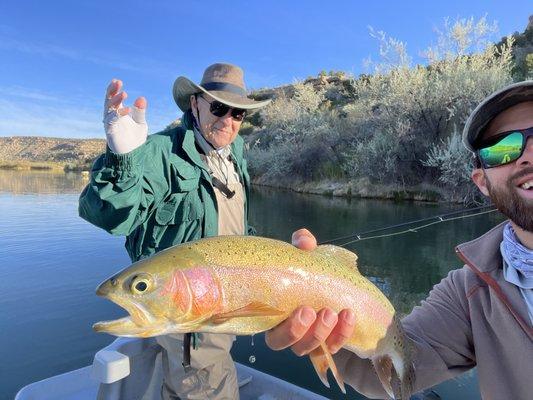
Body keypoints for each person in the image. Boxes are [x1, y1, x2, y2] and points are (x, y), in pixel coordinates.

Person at [267, 81, 533, 399]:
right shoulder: (469, 292)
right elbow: (395, 365)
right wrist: (322, 311)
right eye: (501, 148)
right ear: (482, 183)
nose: (527, 156)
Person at [79, 63, 270, 399]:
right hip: (191, 326)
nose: (228, 120)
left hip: (226, 307)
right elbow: (107, 214)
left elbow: (234, 224)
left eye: (238, 113)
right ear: (194, 103)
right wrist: (122, 160)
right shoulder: (158, 152)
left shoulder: (235, 154)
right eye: (219, 107)